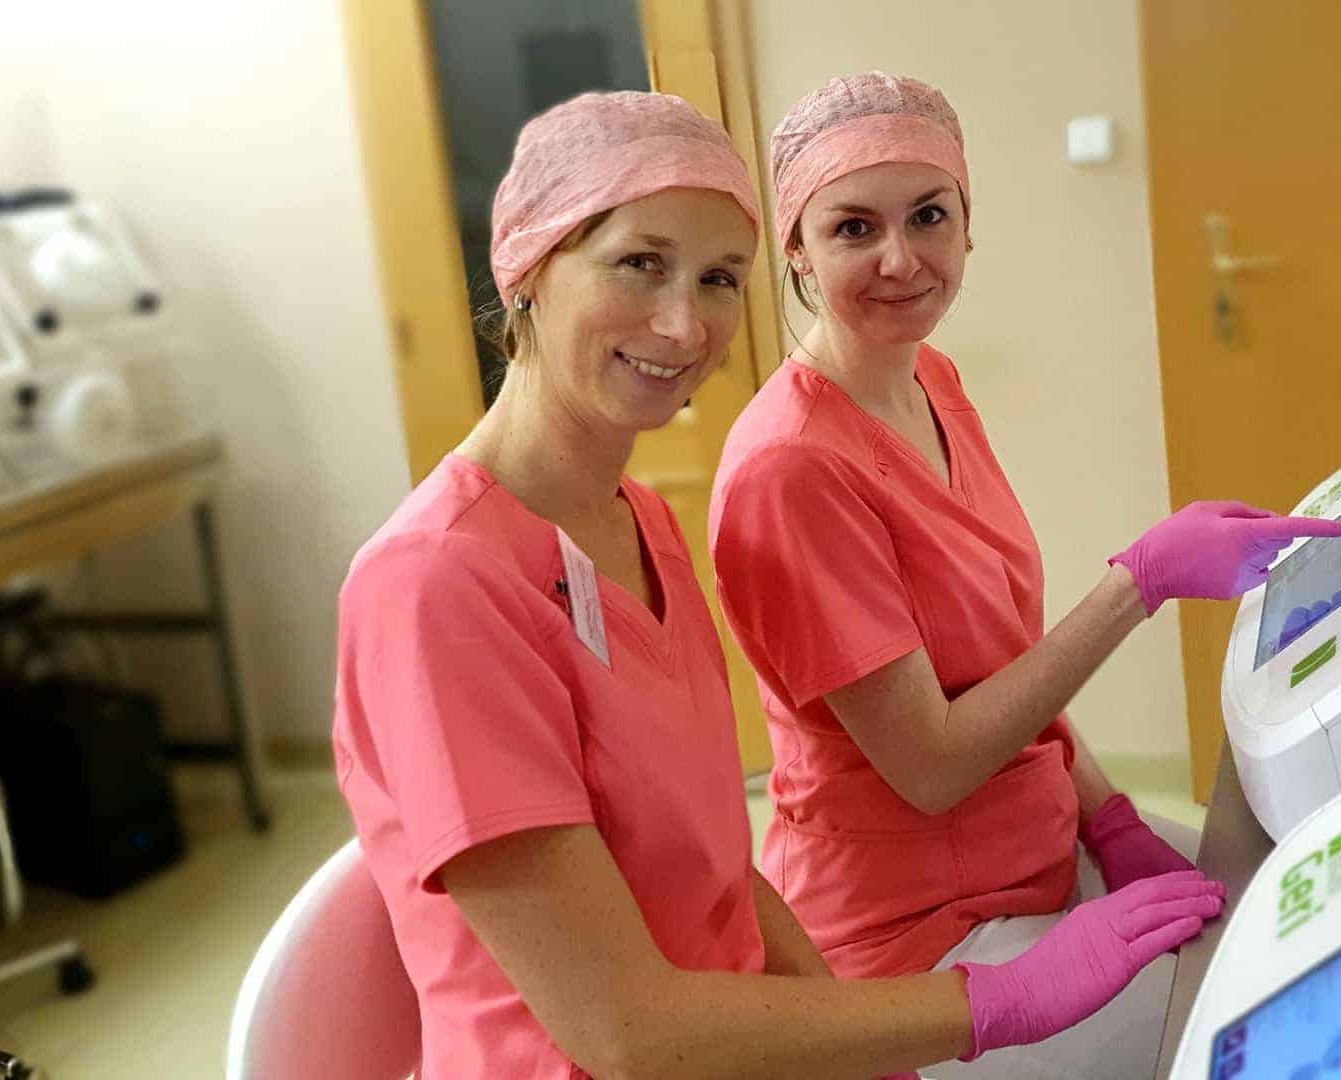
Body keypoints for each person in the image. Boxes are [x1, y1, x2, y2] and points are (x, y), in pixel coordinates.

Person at [333, 89, 1224, 1080]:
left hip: (756, 1023)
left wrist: (864, 1046)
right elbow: (626, 1035)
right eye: (640, 263)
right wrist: (988, 1005)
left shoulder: (639, 524)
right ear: (528, 268)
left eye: (718, 279)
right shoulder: (435, 585)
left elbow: (723, 874)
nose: (683, 323)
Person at [709, 72, 1341, 1077]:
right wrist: (1137, 585)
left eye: (930, 216)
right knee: (1286, 1024)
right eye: (853, 228)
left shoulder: (930, 381)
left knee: (1314, 909)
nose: (901, 259)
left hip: (1039, 852)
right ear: (794, 248)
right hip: (919, 940)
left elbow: (1003, 664)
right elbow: (932, 767)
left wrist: (1110, 816)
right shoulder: (790, 470)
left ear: (969, 225)